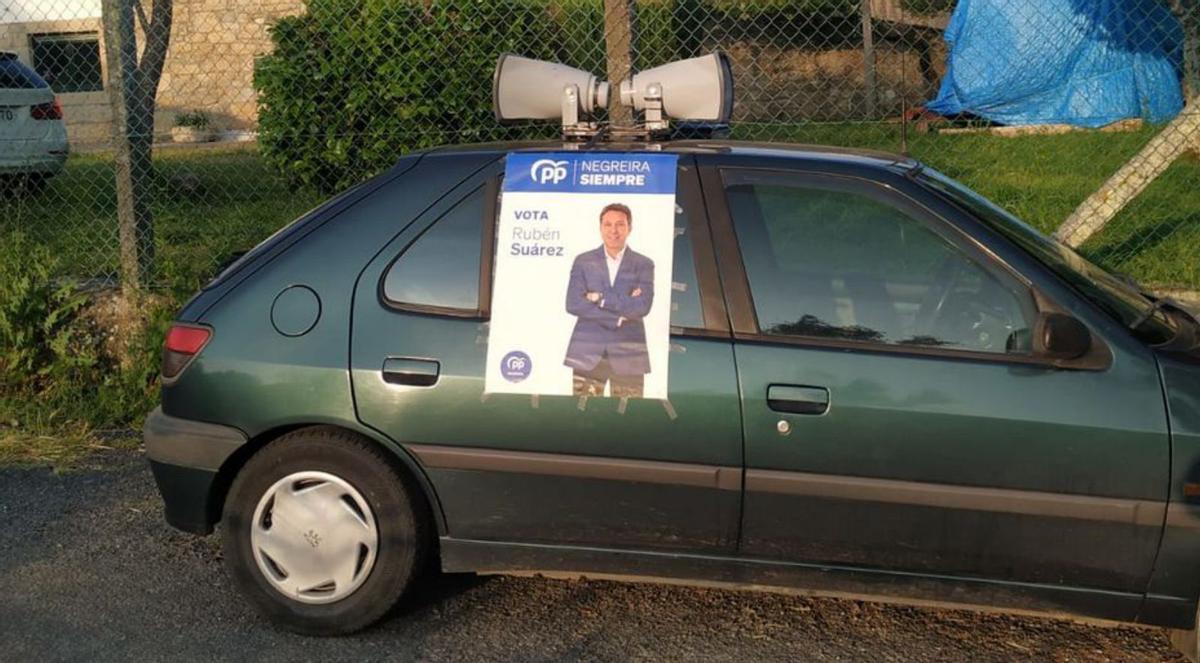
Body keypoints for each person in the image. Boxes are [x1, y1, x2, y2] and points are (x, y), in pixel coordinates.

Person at [563, 203, 655, 398]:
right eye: (608, 224)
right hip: (587, 352)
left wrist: (601, 298)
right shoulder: (583, 261)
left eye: (620, 224)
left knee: (628, 420)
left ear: (630, 228)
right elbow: (573, 303)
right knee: (582, 418)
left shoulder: (644, 264)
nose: (613, 230)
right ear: (600, 227)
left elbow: (643, 306)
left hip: (629, 354)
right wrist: (614, 318)